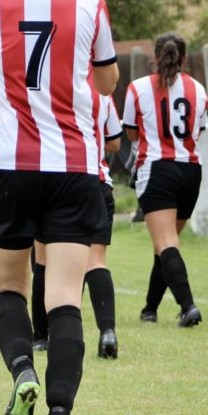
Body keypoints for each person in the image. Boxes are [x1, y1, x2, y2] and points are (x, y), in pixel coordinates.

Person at [0, 0, 118, 415]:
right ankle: (59, 414)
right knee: (63, 296)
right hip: (73, 166)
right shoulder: (89, 1)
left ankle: (21, 372)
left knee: (9, 290)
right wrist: (85, 1)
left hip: (10, 164)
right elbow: (105, 85)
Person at [125, 32, 208, 329]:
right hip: (190, 170)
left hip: (157, 167)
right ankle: (150, 307)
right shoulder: (198, 89)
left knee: (166, 242)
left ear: (154, 57)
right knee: (166, 243)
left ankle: (188, 306)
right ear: (184, 58)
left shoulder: (138, 88)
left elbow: (132, 134)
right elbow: (198, 131)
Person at [32, 92, 122, 359]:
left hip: (54, 178)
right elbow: (115, 142)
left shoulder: (49, 86)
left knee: (43, 260)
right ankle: (107, 331)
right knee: (96, 261)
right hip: (96, 181)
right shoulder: (101, 93)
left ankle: (40, 336)